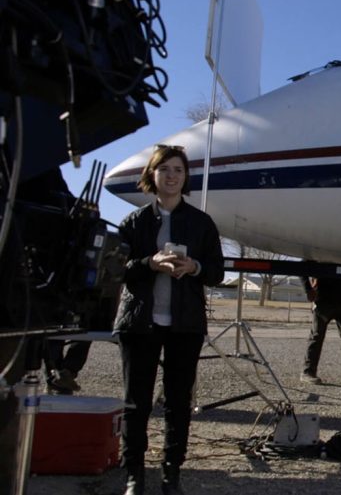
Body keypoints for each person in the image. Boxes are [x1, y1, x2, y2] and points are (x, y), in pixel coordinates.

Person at [114, 145, 224, 495]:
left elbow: (218, 272)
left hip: (185, 325)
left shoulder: (201, 223)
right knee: (137, 403)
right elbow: (117, 269)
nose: (172, 176)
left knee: (178, 403)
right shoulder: (134, 222)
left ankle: (170, 473)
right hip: (140, 322)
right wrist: (149, 264)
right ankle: (134, 475)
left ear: (185, 177)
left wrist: (195, 267)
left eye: (178, 170)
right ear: (152, 176)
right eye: (165, 170)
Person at [300, 274, 341, 384]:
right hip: (323, 301)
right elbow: (302, 268)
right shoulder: (320, 256)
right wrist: (308, 289)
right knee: (317, 337)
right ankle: (308, 372)